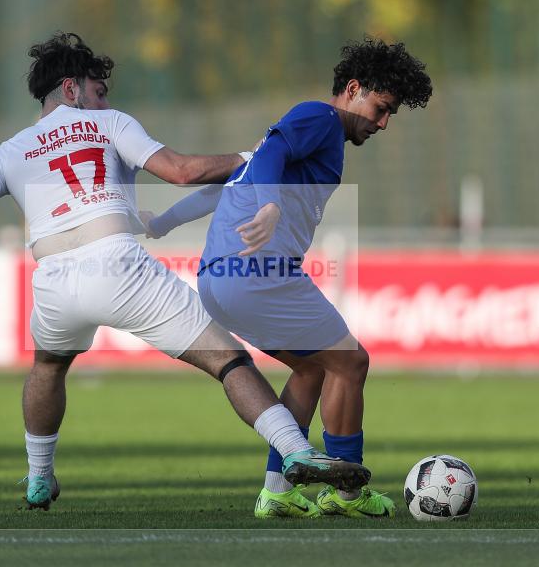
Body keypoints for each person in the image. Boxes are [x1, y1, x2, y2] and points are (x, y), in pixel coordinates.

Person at [0, 32, 369, 512]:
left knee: (48, 366)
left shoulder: (8, 151)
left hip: (54, 279)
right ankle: (296, 452)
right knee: (229, 361)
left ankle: (39, 478)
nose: (106, 100)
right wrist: (247, 160)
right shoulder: (108, 124)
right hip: (118, 266)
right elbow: (181, 171)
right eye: (99, 90)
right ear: (71, 89)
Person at [142, 37, 432, 518]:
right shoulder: (317, 117)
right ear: (353, 88)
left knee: (313, 366)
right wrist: (272, 203)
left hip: (221, 278)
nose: (382, 123)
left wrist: (164, 223)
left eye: (391, 115)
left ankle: (278, 490)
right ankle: (347, 492)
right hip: (257, 272)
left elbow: (235, 179)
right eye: (381, 108)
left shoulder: (315, 134)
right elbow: (273, 154)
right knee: (350, 363)